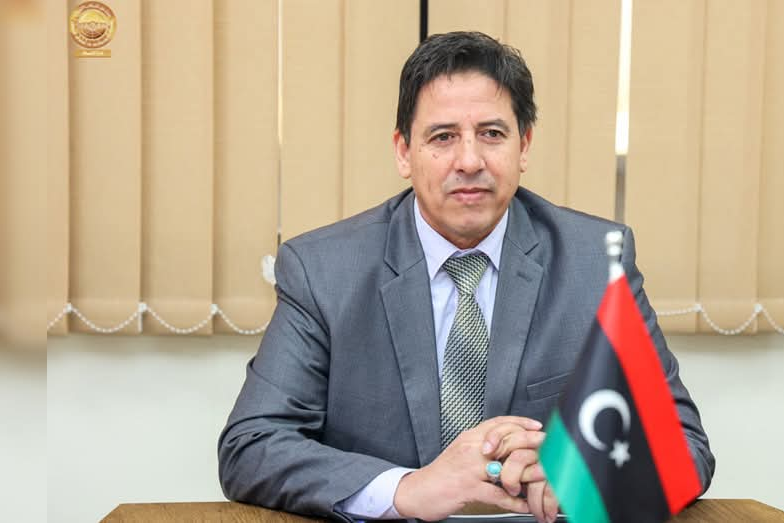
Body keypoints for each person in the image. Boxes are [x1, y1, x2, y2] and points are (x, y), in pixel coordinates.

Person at [218, 31, 714, 522]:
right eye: (443, 137)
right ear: (403, 152)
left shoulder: (595, 263)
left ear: (524, 146)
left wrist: (584, 477)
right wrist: (407, 489)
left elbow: (683, 447)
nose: (470, 161)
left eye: (492, 134)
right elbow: (252, 445)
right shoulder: (324, 271)